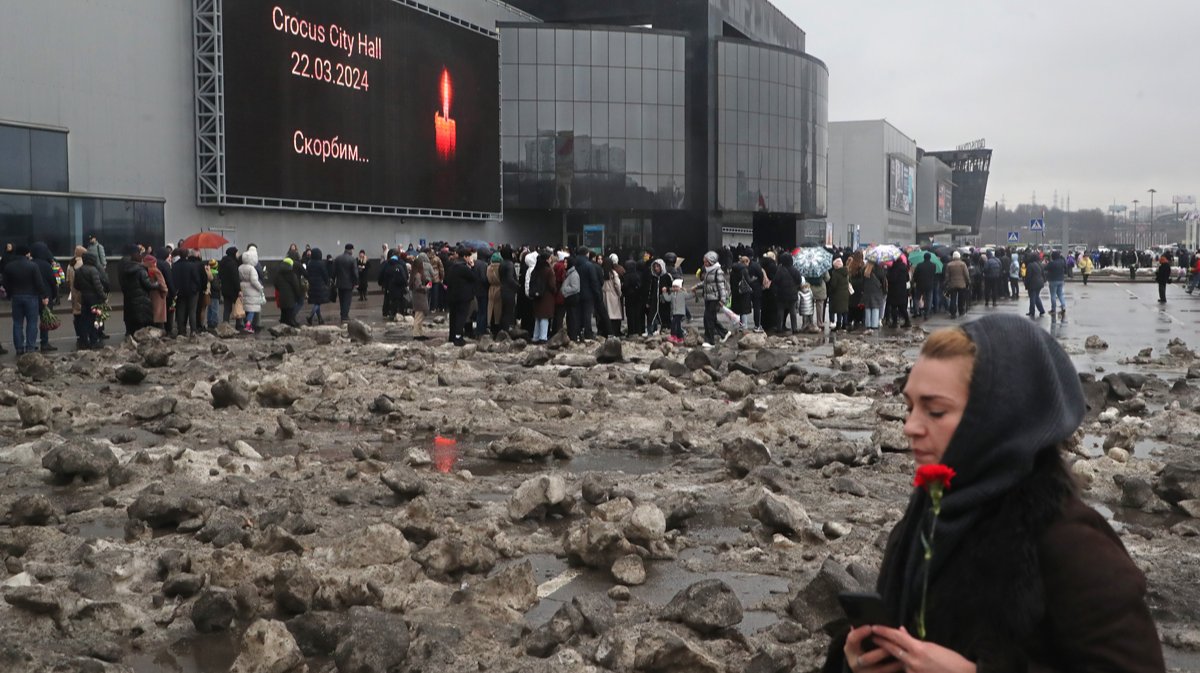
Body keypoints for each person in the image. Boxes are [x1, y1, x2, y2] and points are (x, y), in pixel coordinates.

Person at [829, 314, 1164, 673]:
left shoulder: (1070, 543)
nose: (910, 427)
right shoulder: (925, 520)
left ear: (998, 419)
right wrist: (855, 662)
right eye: (910, 407)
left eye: (935, 411)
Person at [3, 245, 49, 354]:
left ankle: (19, 348)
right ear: (27, 253)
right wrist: (44, 295)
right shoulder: (33, 266)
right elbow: (39, 283)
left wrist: (10, 294)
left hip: (16, 297)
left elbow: (5, 283)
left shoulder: (9, 266)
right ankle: (30, 347)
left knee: (17, 323)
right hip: (31, 297)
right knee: (32, 323)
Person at [72, 252, 108, 349]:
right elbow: (98, 286)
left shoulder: (78, 270)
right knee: (95, 320)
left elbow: (76, 286)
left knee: (84, 319)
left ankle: (84, 341)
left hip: (84, 297)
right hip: (94, 299)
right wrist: (104, 297)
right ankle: (94, 341)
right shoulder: (93, 270)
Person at [119, 246, 158, 336]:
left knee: (133, 320)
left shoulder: (126, 269)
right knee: (142, 322)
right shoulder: (141, 270)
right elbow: (148, 285)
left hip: (130, 297)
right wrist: (157, 284)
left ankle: (131, 335)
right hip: (141, 298)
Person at [30, 242, 59, 351]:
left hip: (32, 295)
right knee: (45, 319)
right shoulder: (46, 265)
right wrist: (54, 295)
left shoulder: (31, 263)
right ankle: (44, 342)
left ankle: (31, 343)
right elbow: (53, 282)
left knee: (32, 321)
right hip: (46, 295)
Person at [445, 247, 476, 346]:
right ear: (465, 257)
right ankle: (458, 337)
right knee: (461, 317)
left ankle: (452, 336)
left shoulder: (452, 266)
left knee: (453, 317)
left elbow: (446, 280)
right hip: (463, 297)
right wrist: (472, 266)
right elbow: (473, 277)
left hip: (452, 296)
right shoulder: (464, 268)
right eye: (469, 257)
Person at [530, 252, 557, 344]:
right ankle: (543, 337)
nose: (551, 260)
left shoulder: (535, 270)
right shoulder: (549, 271)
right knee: (544, 318)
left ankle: (535, 337)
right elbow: (552, 285)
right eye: (550, 258)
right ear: (547, 260)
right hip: (546, 298)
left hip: (536, 297)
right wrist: (555, 290)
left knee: (538, 318)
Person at [772, 253, 801, 334]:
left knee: (780, 310)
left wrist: (776, 291)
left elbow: (775, 281)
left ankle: (779, 327)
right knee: (793, 311)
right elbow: (799, 281)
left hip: (781, 294)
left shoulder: (780, 270)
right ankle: (794, 328)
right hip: (792, 293)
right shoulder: (795, 270)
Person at [238, 247, 265, 334]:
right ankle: (248, 325)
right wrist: (260, 287)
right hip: (251, 290)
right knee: (252, 309)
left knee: (246, 308)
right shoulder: (252, 269)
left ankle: (246, 324)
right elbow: (254, 281)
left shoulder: (240, 267)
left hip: (243, 288)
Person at [66, 246, 87, 348]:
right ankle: (84, 337)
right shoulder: (84, 263)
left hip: (73, 293)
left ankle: (79, 336)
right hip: (82, 292)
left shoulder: (70, 264)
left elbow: (68, 280)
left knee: (76, 315)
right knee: (84, 315)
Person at [305, 247, 331, 325]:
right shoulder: (321, 263)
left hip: (312, 284)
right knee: (318, 302)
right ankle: (310, 316)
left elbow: (307, 273)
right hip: (320, 284)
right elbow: (325, 274)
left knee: (316, 301)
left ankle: (320, 319)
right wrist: (327, 283)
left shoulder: (309, 263)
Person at [410, 251, 432, 339]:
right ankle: (416, 334)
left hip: (417, 297)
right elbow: (418, 286)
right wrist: (427, 287)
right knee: (419, 317)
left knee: (419, 316)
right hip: (420, 298)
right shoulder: (418, 275)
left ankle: (419, 333)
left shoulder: (414, 274)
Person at [334, 244, 359, 323]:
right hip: (349, 283)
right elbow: (355, 273)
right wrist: (356, 282)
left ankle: (342, 314)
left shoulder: (338, 258)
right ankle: (345, 316)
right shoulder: (352, 259)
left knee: (341, 300)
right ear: (350, 250)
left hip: (339, 283)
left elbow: (334, 271)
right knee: (347, 301)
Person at [276, 257, 303, 327]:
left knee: (283, 312)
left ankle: (282, 326)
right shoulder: (292, 274)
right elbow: (296, 286)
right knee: (290, 313)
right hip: (290, 297)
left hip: (281, 296)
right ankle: (290, 325)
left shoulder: (278, 274)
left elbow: (275, 284)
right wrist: (299, 295)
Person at [144, 255, 169, 331]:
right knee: (159, 316)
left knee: (152, 316)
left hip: (149, 295)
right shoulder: (155, 271)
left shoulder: (145, 270)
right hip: (158, 295)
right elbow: (162, 283)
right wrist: (165, 292)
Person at [943, 252, 969, 319]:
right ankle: (961, 311)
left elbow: (947, 276)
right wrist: (968, 281)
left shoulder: (949, 265)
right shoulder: (963, 264)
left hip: (952, 284)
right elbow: (966, 274)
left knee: (953, 299)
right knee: (961, 299)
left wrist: (946, 283)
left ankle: (953, 313)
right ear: (959, 256)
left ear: (953, 257)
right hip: (962, 284)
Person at [826, 258, 850, 331]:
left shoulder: (836, 274)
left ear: (836, 266)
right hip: (845, 293)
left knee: (839, 310)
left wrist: (830, 290)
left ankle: (839, 324)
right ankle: (844, 324)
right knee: (844, 309)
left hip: (837, 294)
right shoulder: (846, 272)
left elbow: (833, 285)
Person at [862, 261, 887, 331]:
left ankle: (868, 324)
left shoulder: (865, 269)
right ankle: (874, 324)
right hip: (877, 291)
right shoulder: (879, 269)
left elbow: (863, 281)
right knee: (875, 307)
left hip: (867, 291)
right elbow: (883, 280)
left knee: (868, 307)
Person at [1044, 250, 1067, 318]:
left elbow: (1045, 268)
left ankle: (1053, 309)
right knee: (1060, 294)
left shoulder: (1052, 263)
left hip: (1053, 280)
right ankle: (1063, 306)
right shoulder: (1062, 262)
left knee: (1053, 295)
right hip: (1061, 280)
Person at [1024, 251, 1046, 318]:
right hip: (1040, 283)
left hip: (1033, 284)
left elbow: (1028, 276)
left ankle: (1032, 312)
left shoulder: (1030, 265)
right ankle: (1041, 310)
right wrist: (1044, 281)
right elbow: (1043, 274)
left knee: (1032, 297)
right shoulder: (1040, 264)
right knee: (1036, 297)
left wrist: (1026, 284)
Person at [667, 278, 687, 344]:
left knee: (673, 323)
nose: (675, 288)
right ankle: (680, 337)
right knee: (678, 325)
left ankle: (673, 335)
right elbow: (668, 299)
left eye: (676, 287)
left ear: (680, 287)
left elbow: (689, 296)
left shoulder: (683, 293)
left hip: (680, 312)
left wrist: (693, 292)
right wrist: (664, 293)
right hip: (675, 312)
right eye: (673, 287)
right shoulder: (673, 294)